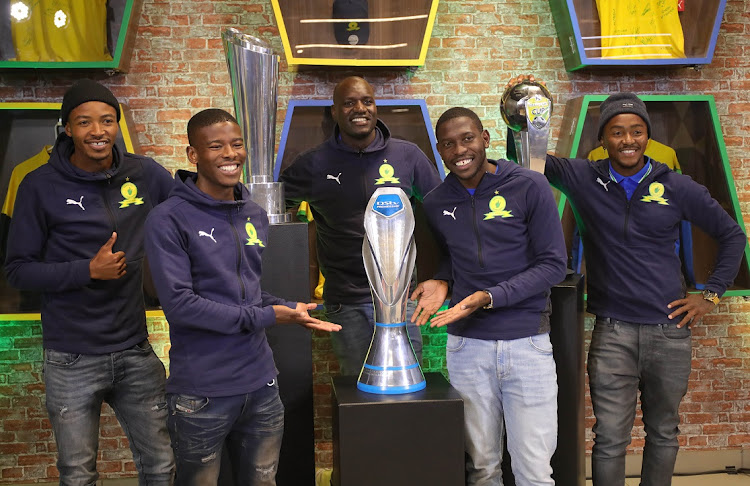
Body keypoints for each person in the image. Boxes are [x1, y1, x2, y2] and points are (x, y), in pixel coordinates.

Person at [534, 84, 747, 485]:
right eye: (617, 131)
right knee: (610, 439)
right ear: (603, 139)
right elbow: (528, 160)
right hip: (612, 332)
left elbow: (733, 235)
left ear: (648, 136)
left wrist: (711, 295)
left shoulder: (676, 186)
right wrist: (526, 106)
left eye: (636, 130)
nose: (628, 140)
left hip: (669, 332)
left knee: (664, 434)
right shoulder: (582, 177)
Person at [144, 109, 341, 486]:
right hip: (202, 392)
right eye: (215, 146)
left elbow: (246, 291)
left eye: (236, 144)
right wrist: (269, 317)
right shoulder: (168, 218)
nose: (229, 154)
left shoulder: (253, 213)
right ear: (193, 155)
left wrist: (283, 306)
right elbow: (181, 306)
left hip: (262, 385)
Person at [4, 79, 175, 485]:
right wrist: (86, 270)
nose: (97, 131)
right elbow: (17, 270)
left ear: (116, 124)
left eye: (106, 120)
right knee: (78, 474)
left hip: (135, 349)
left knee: (163, 464)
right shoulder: (38, 185)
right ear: (67, 128)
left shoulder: (144, 173)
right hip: (71, 358)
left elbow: (189, 210)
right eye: (84, 122)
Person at [411, 107, 568, 485]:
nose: (459, 150)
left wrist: (488, 296)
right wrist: (442, 281)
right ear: (439, 150)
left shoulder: (529, 186)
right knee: (482, 467)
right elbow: (450, 256)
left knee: (533, 469)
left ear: (485, 139)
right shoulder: (434, 202)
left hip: (527, 344)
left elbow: (553, 265)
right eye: (448, 144)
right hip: (467, 350)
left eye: (467, 139)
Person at [279, 76, 442, 375]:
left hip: (400, 301)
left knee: (407, 389)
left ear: (376, 107)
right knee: (360, 392)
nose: (360, 108)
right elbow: (270, 208)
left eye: (367, 101)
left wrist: (444, 278)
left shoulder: (407, 156)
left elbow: (444, 214)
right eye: (349, 102)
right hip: (346, 302)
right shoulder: (313, 164)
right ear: (334, 112)